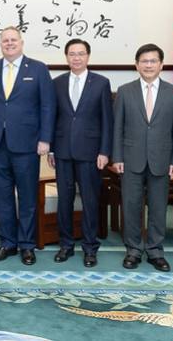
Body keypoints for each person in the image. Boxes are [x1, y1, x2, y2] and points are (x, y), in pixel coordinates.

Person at [0, 26, 55, 266]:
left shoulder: (38, 69)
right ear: (0, 44)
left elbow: (47, 106)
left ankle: (26, 245)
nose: (9, 44)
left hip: (27, 145)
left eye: (13, 40)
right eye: (5, 41)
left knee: (27, 197)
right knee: (1, 198)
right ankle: (8, 243)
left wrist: (45, 139)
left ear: (22, 43)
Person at [112, 43, 173, 272]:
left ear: (161, 65)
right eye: (144, 61)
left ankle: (155, 250)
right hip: (131, 158)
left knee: (157, 207)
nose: (149, 65)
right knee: (131, 206)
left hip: (161, 160)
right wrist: (117, 157)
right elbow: (118, 128)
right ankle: (133, 250)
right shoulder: (124, 91)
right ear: (137, 65)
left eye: (153, 61)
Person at [47, 38, 113, 268]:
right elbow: (53, 118)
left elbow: (107, 120)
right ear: (66, 57)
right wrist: (52, 148)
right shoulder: (56, 83)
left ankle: (89, 247)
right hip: (63, 151)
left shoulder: (101, 83)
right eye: (72, 54)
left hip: (91, 152)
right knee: (64, 201)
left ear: (88, 56)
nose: (76, 57)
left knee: (90, 201)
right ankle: (66, 245)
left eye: (81, 53)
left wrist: (105, 151)